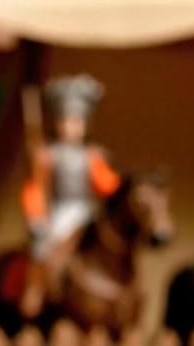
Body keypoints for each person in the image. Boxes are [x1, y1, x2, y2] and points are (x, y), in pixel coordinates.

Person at [20, 75, 121, 319]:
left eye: (78, 122)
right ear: (58, 123)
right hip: (60, 212)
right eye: (67, 121)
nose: (73, 127)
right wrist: (36, 217)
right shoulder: (48, 155)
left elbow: (108, 187)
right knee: (44, 247)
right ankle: (35, 291)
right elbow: (35, 189)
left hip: (86, 210)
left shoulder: (92, 156)